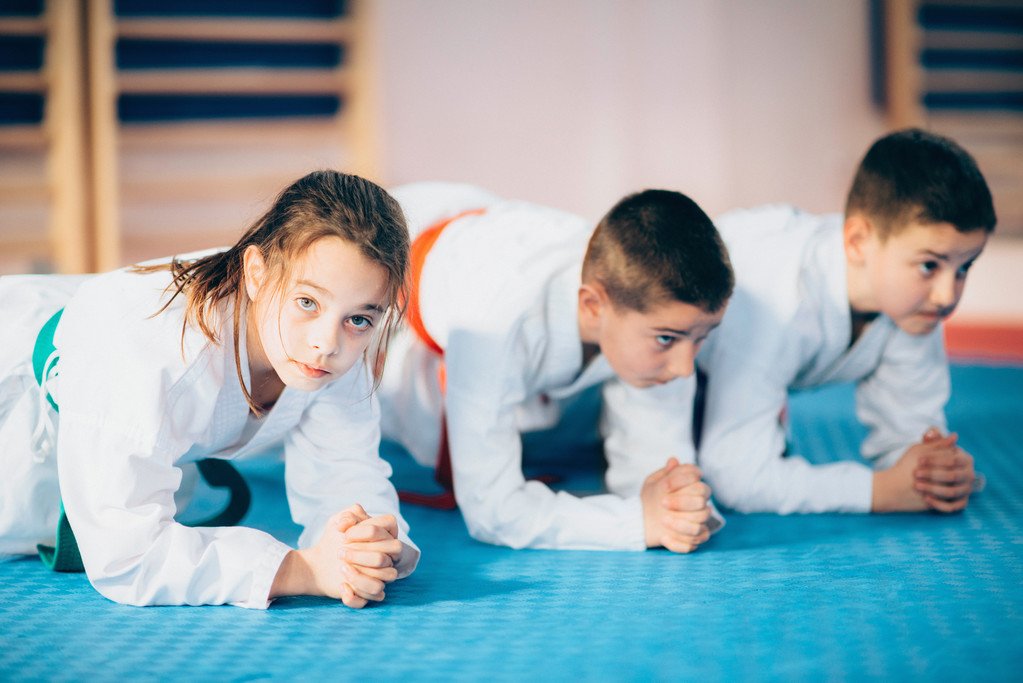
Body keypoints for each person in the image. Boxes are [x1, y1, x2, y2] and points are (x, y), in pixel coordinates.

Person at [0, 170, 419, 608]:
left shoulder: (337, 330)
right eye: (307, 303)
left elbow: (345, 469)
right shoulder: (153, 348)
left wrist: (363, 545)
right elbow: (125, 556)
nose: (327, 343)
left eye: (359, 319)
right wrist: (305, 570)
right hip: (19, 407)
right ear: (256, 273)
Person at [378, 182, 734, 552]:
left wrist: (676, 507)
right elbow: (493, 513)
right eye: (666, 339)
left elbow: (655, 473)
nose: (685, 368)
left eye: (701, 338)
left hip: (500, 232)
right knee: (378, 409)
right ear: (593, 306)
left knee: (593, 398)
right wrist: (635, 522)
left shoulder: (649, 308)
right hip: (399, 245)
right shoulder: (495, 324)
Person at [695, 128, 996, 515]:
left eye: (964, 267)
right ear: (857, 242)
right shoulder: (779, 301)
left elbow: (906, 441)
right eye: (929, 265)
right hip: (626, 372)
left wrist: (934, 470)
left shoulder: (913, 306)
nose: (947, 295)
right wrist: (876, 492)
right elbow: (737, 478)